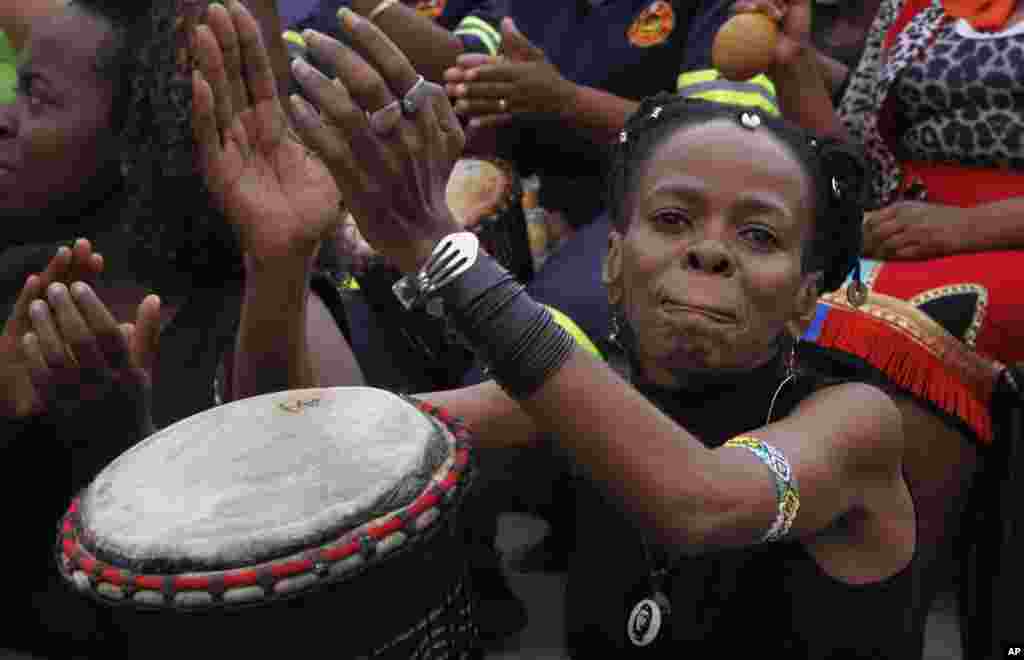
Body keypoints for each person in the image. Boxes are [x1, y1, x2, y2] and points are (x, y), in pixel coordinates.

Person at [211, 7, 926, 656]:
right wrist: (279, 263)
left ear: (805, 301)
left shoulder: (852, 422)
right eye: (673, 220)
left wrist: (440, 247)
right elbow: (302, 450)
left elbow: (703, 503)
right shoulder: (567, 406)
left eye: (760, 235)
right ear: (612, 267)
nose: (710, 251)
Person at [0, 1, 362, 655]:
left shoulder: (265, 315)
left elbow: (314, 590)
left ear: (132, 146)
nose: (4, 119)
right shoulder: (19, 277)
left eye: (38, 97)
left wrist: (124, 446)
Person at [740, 0, 1024, 366]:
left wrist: (966, 227)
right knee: (772, 300)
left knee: (916, 323)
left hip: (1002, 238)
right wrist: (790, 63)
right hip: (904, 233)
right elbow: (856, 164)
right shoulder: (912, 7)